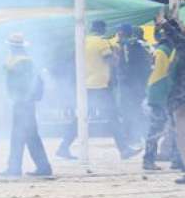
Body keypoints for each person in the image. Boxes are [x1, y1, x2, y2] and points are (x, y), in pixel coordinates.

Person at [56, 20, 138, 160]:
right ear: (103, 30)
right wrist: (116, 56)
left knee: (80, 118)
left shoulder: (83, 41)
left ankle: (63, 147)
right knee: (113, 118)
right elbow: (109, 60)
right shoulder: (101, 43)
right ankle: (124, 149)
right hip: (100, 86)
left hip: (84, 86)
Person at [0, 33, 52, 178]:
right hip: (23, 102)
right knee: (29, 135)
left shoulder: (22, 61)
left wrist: (22, 99)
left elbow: (24, 83)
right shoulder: (20, 60)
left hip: (23, 102)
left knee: (20, 135)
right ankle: (41, 166)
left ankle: (15, 168)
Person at [144, 24, 180, 170]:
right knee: (169, 127)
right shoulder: (169, 51)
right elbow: (171, 73)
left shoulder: (160, 49)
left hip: (157, 91)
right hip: (163, 92)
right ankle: (173, 160)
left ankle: (172, 159)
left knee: (164, 127)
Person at [116, 24, 152, 144]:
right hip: (138, 82)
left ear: (124, 32)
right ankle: (140, 135)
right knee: (137, 109)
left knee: (129, 110)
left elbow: (126, 65)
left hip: (130, 83)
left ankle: (133, 136)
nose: (118, 34)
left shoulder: (127, 45)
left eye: (119, 32)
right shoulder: (142, 45)